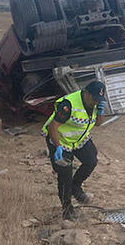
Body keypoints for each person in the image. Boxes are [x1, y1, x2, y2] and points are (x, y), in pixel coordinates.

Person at [42, 81, 108, 220]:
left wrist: (101, 112)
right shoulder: (69, 104)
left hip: (79, 139)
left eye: (99, 100)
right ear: (86, 93)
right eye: (95, 98)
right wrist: (57, 147)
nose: (96, 102)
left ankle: (75, 187)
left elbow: (98, 123)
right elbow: (53, 126)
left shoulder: (95, 104)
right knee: (65, 173)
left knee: (91, 161)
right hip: (60, 140)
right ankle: (67, 208)